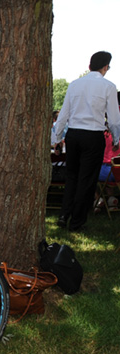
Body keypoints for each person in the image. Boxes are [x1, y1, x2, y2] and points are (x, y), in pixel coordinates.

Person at [54, 51, 120, 231]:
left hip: (74, 135)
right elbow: (114, 119)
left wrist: (57, 137)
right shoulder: (109, 86)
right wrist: (116, 137)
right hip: (93, 136)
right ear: (105, 66)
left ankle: (63, 215)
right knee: (87, 180)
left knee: (72, 177)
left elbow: (64, 113)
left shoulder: (75, 85)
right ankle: (76, 222)